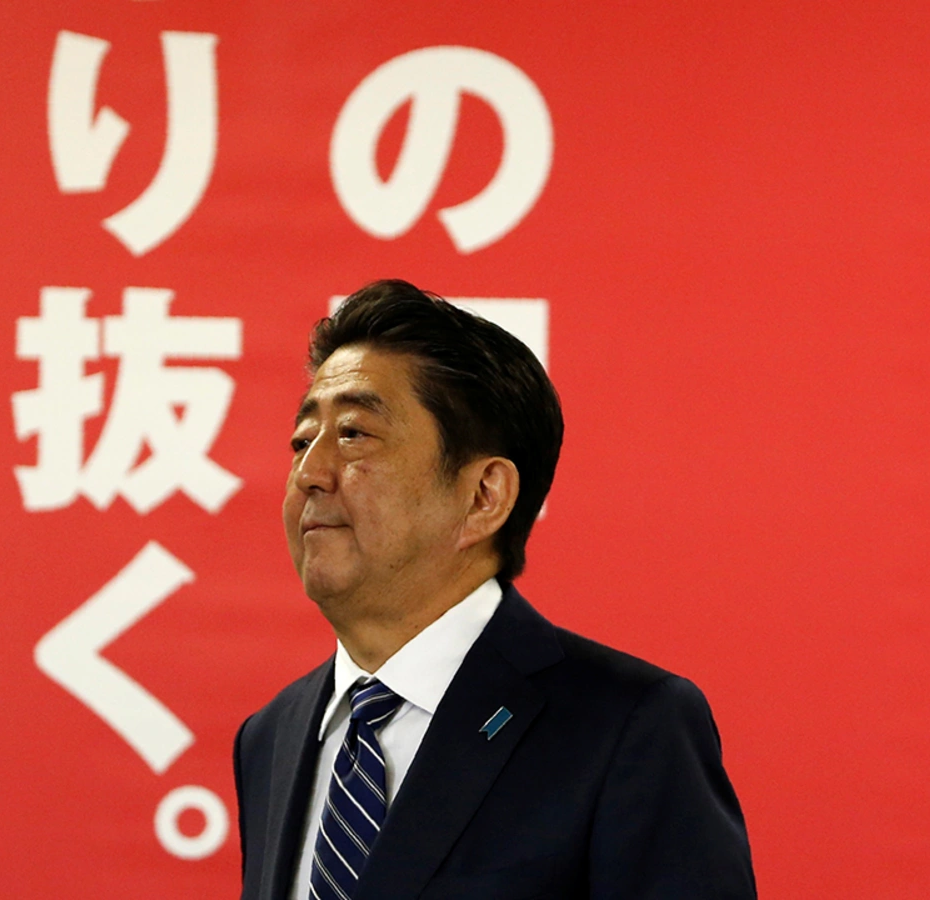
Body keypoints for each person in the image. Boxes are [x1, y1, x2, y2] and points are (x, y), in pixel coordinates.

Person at [233, 280, 756, 900]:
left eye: (353, 434)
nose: (308, 474)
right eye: (301, 440)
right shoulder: (272, 734)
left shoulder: (627, 727)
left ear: (484, 496)